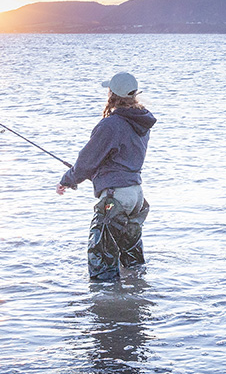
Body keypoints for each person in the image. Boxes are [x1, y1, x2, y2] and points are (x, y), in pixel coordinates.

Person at [57, 72, 156, 281]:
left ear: (112, 94)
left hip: (116, 198)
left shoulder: (111, 124)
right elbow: (119, 160)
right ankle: (138, 300)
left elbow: (87, 161)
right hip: (136, 196)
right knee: (132, 263)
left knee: (102, 267)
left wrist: (68, 180)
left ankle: (108, 309)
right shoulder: (141, 122)